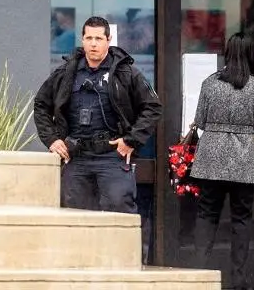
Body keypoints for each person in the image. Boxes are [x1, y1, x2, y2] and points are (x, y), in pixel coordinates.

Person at [33, 15, 163, 213]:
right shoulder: (66, 72)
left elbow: (152, 107)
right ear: (82, 40)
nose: (93, 44)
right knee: (73, 217)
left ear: (108, 40)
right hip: (76, 157)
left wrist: (131, 140)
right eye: (89, 38)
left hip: (112, 156)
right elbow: (41, 104)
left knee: (119, 214)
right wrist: (52, 139)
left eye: (99, 38)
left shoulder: (125, 73)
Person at [189, 32, 254, 290]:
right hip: (243, 159)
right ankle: (238, 278)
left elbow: (200, 120)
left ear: (227, 53)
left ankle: (200, 274)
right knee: (242, 218)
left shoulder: (210, 83)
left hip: (211, 157)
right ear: (251, 54)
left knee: (207, 213)